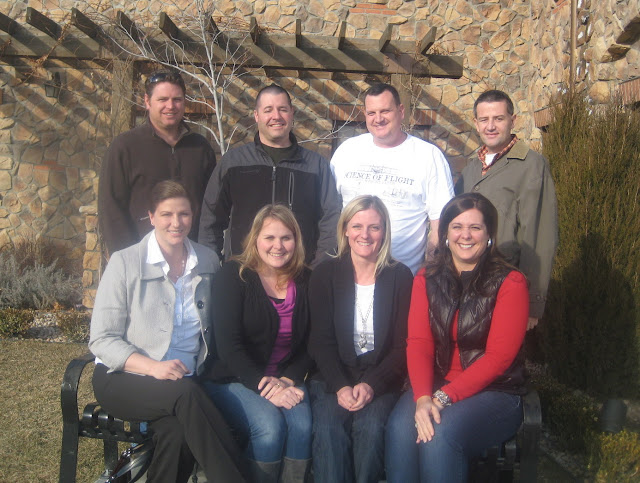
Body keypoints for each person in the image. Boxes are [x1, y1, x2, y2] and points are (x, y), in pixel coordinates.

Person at [89, 180, 245, 483]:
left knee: (178, 433)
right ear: (151, 217)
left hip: (184, 379)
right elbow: (102, 339)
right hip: (123, 377)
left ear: (193, 216)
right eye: (166, 214)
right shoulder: (125, 262)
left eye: (184, 214)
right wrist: (153, 367)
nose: (177, 223)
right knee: (186, 394)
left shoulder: (207, 261)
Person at [385, 192, 529, 482]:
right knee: (400, 429)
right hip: (435, 385)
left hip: (495, 392)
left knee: (441, 434)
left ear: (489, 234)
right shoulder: (426, 278)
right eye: (457, 227)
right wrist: (423, 397)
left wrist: (442, 398)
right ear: (445, 234)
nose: (466, 235)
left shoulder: (510, 282)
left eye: (475, 227)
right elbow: (419, 343)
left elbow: (498, 358)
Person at [203, 204, 313, 482]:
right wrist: (266, 388)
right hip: (233, 378)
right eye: (269, 237)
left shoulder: (306, 279)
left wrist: (288, 379)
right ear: (255, 239)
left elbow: (313, 342)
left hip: (285, 378)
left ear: (296, 241)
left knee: (302, 427)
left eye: (286, 238)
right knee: (269, 427)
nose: (278, 246)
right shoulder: (233, 275)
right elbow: (228, 346)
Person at [308, 195, 413, 483]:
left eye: (374, 227)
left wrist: (372, 384)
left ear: (384, 231)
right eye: (357, 226)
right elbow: (320, 340)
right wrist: (341, 385)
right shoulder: (325, 274)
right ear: (345, 229)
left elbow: (402, 345)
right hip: (333, 374)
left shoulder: (400, 276)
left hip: (380, 375)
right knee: (329, 429)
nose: (364, 235)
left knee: (371, 428)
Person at [198, 84, 342, 267]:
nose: (276, 116)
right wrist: (211, 267)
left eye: (283, 109)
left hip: (298, 274)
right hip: (243, 272)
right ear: (256, 115)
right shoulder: (233, 162)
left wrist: (318, 268)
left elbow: (330, 221)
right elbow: (210, 219)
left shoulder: (316, 166)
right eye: (268, 110)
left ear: (292, 114)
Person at [456, 89, 558, 330]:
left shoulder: (531, 166)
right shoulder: (470, 170)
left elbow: (540, 237)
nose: (490, 126)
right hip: (466, 288)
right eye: (484, 119)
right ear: (476, 123)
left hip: (505, 289)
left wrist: (532, 303)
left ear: (513, 120)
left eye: (498, 118)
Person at [330, 83, 454, 274]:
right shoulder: (347, 151)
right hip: (349, 273)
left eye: (385, 111)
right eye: (371, 113)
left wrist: (428, 272)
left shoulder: (428, 156)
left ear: (401, 111)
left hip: (404, 275)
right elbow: (330, 211)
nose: (378, 119)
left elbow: (441, 221)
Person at [99, 70, 216, 256]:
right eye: (163, 99)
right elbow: (111, 210)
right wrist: (127, 259)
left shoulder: (200, 148)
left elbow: (210, 208)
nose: (170, 106)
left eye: (177, 99)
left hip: (191, 259)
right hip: (141, 258)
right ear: (147, 101)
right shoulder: (125, 147)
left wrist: (207, 253)